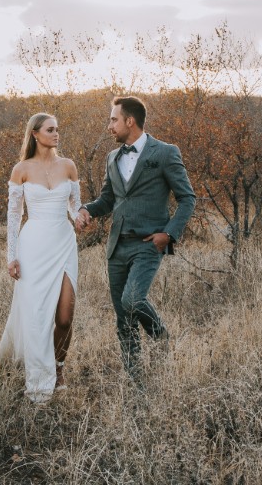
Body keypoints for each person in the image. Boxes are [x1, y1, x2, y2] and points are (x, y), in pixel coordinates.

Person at [76, 96, 195, 380]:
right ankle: (136, 381)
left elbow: (187, 198)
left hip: (147, 244)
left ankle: (162, 337)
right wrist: (85, 209)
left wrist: (168, 234)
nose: (109, 126)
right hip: (117, 247)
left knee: (132, 299)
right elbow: (107, 200)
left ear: (130, 121)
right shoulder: (112, 158)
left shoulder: (165, 153)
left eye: (113, 120)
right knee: (123, 320)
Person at [0, 112, 81, 402]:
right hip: (32, 247)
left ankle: (59, 367)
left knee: (65, 317)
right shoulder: (22, 170)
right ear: (35, 134)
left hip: (64, 243)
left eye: (57, 129)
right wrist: (11, 256)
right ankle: (41, 383)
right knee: (37, 318)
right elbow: (14, 217)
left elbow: (75, 207)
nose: (56, 134)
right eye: (50, 129)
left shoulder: (68, 166)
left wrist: (80, 216)